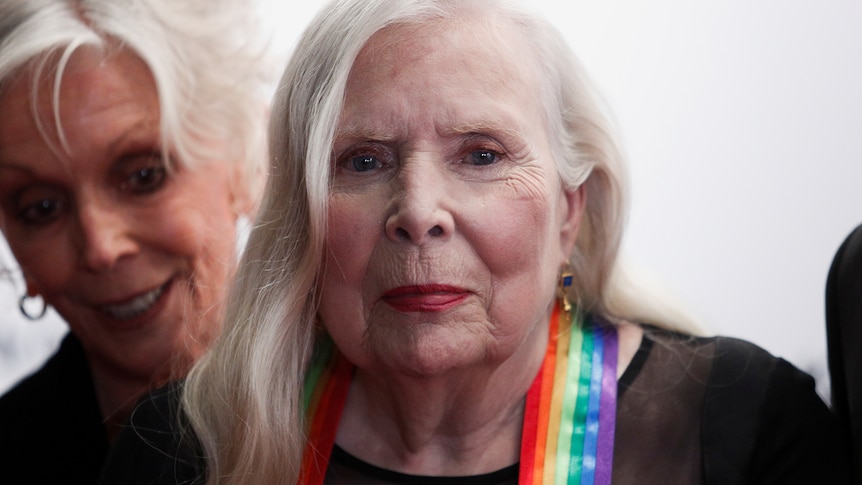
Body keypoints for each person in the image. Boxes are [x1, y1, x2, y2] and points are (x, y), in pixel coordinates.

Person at [102, 0, 851, 483]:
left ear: (569, 211)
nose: (419, 210)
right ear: (301, 214)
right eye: (363, 160)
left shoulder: (742, 428)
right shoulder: (185, 450)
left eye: (482, 155)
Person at [0, 0, 274, 482]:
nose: (101, 247)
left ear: (242, 158)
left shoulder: (390, 418)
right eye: (42, 208)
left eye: (144, 176)